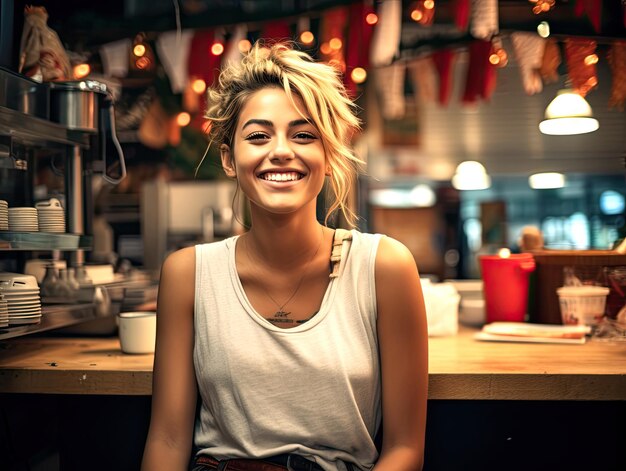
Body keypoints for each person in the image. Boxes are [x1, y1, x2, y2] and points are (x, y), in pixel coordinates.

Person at [141, 41, 428, 471]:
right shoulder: (188, 274)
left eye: (304, 135)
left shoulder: (385, 266)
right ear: (229, 159)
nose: (280, 150)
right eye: (258, 136)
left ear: (328, 156)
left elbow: (405, 450)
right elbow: (166, 439)